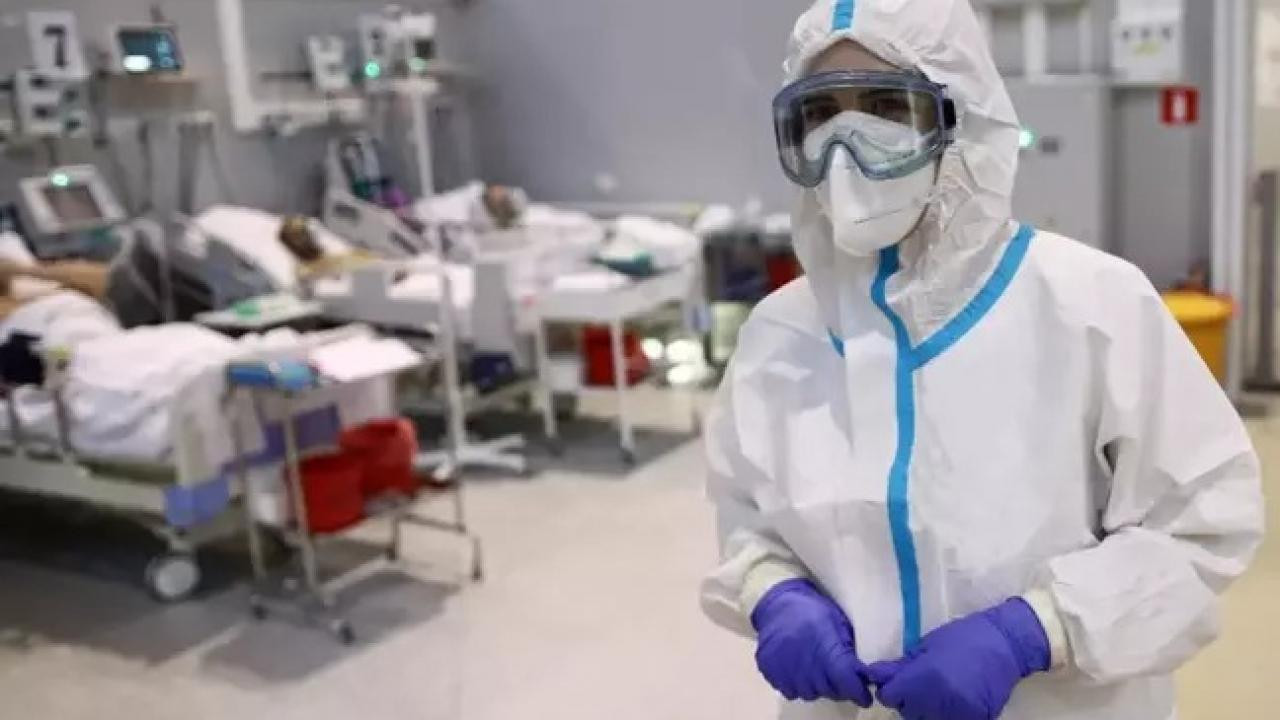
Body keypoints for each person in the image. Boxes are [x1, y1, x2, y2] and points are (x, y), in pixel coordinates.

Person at [699, 1, 1265, 719]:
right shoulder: (779, 334)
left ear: (960, 117)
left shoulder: (1094, 305)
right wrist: (772, 590)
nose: (845, 145)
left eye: (885, 105)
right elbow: (744, 513)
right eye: (821, 114)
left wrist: (1035, 631)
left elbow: (1202, 525)